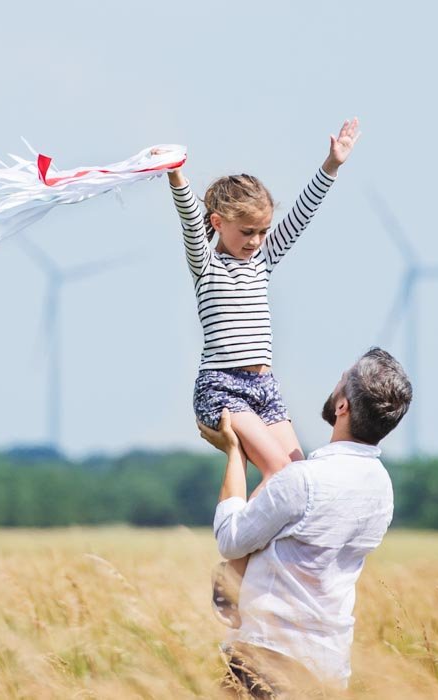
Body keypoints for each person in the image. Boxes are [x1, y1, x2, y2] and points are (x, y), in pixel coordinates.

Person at [158, 119, 362, 619]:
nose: (255, 241)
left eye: (261, 232)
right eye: (246, 231)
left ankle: (255, 568)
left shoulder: (263, 261)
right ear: (217, 224)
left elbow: (301, 216)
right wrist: (176, 177)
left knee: (299, 476)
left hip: (265, 389)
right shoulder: (206, 264)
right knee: (278, 473)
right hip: (222, 388)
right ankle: (230, 568)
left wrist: (332, 164)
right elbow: (187, 221)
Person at [198, 347, 411, 695]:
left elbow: (230, 538)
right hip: (329, 666)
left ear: (343, 406)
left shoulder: (305, 481)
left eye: (341, 380)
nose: (336, 384)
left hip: (267, 660)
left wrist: (233, 452)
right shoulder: (382, 489)